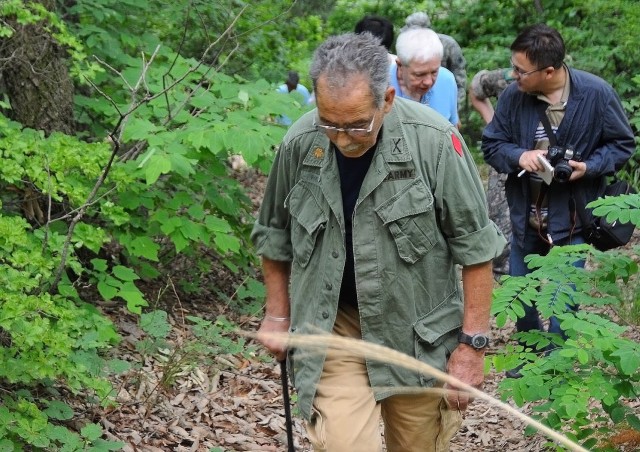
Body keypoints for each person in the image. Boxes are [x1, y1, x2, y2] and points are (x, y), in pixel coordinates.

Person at [252, 32, 506, 451]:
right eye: (329, 122)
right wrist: (278, 317)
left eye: (355, 124)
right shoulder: (300, 142)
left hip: (417, 330)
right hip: (335, 324)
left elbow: (476, 249)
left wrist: (472, 345)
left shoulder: (436, 143)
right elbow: (274, 233)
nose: (342, 138)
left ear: (386, 99)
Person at [482, 24, 634, 376]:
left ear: (548, 71)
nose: (513, 75)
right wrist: (519, 155)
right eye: (513, 66)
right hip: (527, 214)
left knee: (565, 296)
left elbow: (622, 144)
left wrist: (589, 167)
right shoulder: (512, 96)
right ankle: (530, 355)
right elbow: (492, 143)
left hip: (575, 216)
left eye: (520, 70)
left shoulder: (596, 94)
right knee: (520, 291)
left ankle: (555, 365)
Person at [469, 68, 516, 278]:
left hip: (541, 164)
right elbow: (475, 88)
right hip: (505, 163)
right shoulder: (507, 77)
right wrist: (494, 124)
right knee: (501, 230)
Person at [390, 26, 459, 126]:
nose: (428, 82)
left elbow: (453, 131)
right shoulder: (380, 85)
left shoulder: (447, 80)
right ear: (400, 65)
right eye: (419, 74)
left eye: (434, 72)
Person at [403, 12, 467, 104]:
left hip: (443, 99)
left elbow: (460, 78)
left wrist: (454, 106)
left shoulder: (448, 45)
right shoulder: (406, 46)